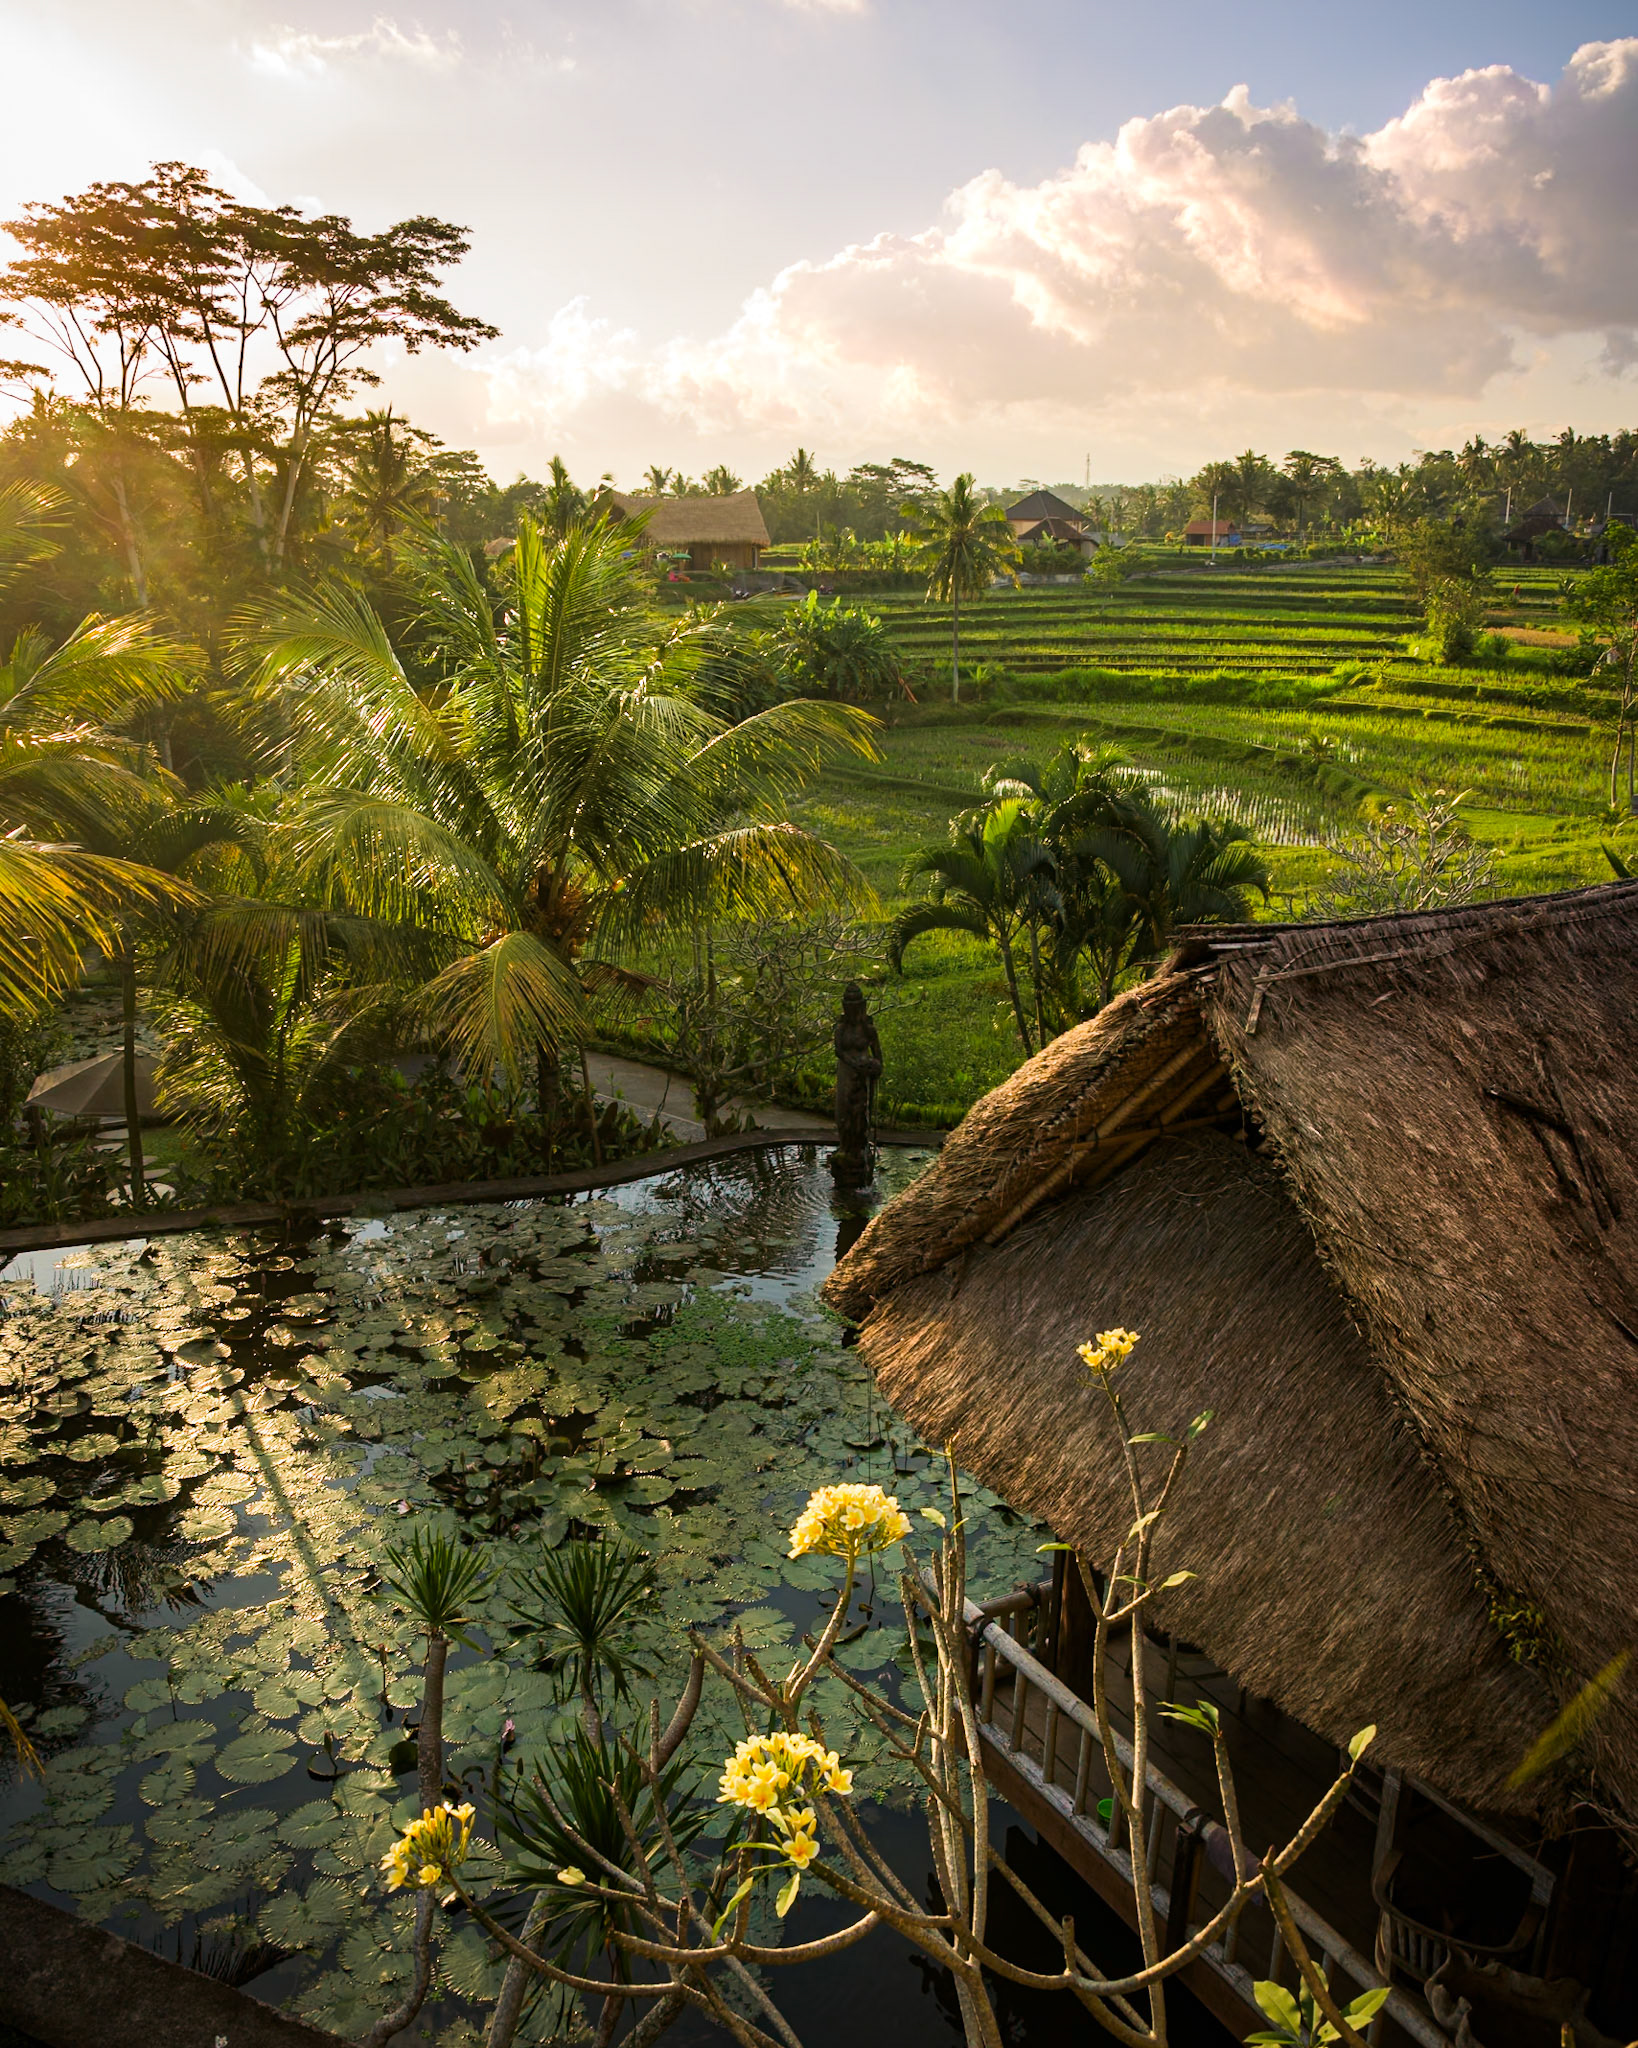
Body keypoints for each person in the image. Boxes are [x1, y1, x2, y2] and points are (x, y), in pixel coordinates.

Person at [831, 982, 882, 1185]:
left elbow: (878, 1055)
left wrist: (874, 1067)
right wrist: (852, 1063)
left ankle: (859, 1149)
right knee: (843, 1112)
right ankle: (845, 1148)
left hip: (861, 1075)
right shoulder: (841, 1029)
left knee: (859, 1113)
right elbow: (838, 1050)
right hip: (846, 1073)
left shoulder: (868, 1029)